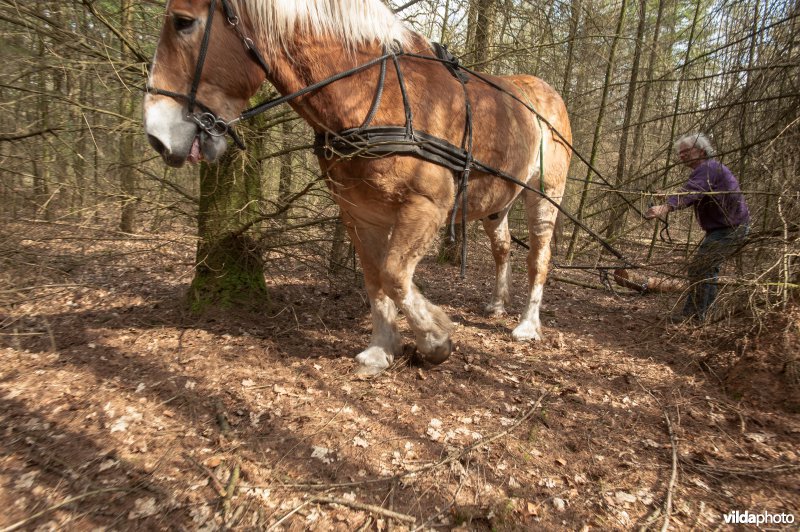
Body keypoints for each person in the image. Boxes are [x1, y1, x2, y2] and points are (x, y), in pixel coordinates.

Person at [645, 133, 750, 322]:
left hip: (730, 228)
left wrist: (665, 207)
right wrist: (668, 198)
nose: (682, 156)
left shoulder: (709, 167)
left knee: (701, 268)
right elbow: (693, 191)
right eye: (680, 153)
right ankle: (702, 315)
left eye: (686, 151)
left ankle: (695, 317)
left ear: (701, 151)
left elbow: (691, 192)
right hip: (726, 228)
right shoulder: (708, 169)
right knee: (705, 269)